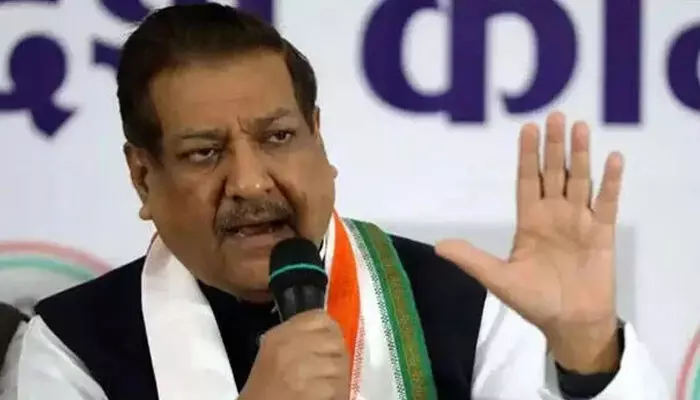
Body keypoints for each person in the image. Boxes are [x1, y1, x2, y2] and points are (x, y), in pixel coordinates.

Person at [0, 4, 667, 400]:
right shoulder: (72, 349)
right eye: (205, 152)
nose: (251, 183)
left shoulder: (463, 306)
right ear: (143, 178)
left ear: (319, 138)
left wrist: (587, 352)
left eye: (279, 137)